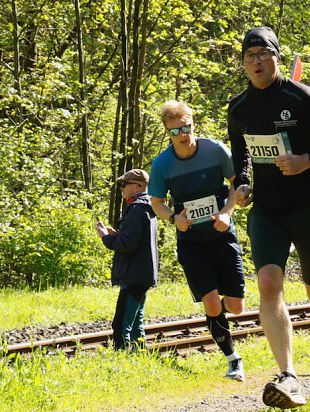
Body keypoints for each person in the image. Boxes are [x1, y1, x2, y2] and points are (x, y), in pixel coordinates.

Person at [227, 26, 310, 409]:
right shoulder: (238, 107)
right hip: (267, 208)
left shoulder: (299, 96)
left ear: (276, 57)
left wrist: (308, 160)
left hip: (308, 206)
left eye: (262, 54)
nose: (255, 61)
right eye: (249, 56)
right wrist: (242, 185)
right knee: (268, 284)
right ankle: (289, 376)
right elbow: (241, 157)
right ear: (244, 64)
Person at [148, 100, 247, 382]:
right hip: (191, 242)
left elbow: (235, 184)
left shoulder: (215, 150)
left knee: (237, 305)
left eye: (186, 127)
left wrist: (227, 213)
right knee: (212, 302)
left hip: (222, 235)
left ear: (193, 124)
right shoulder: (162, 164)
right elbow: (156, 201)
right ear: (167, 132)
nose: (182, 134)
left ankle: (216, 313)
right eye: (174, 131)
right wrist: (172, 219)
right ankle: (233, 359)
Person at [96, 168, 159, 351]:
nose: (122, 188)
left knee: (121, 324)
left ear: (138, 186)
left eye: (125, 184)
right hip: (143, 274)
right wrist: (118, 234)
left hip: (133, 275)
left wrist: (105, 237)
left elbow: (127, 245)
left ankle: (122, 357)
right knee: (136, 323)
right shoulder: (149, 207)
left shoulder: (136, 209)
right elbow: (136, 240)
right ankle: (140, 354)